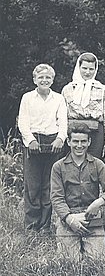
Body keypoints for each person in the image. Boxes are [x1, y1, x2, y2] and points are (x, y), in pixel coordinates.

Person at [50, 123, 105, 262]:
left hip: (91, 218)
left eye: (83, 141)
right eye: (75, 141)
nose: (79, 145)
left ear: (89, 142)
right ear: (68, 142)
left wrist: (98, 203)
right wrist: (69, 219)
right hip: (69, 218)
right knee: (69, 262)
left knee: (98, 261)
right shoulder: (58, 167)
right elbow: (57, 198)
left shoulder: (98, 164)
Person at [18, 64, 68, 232]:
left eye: (48, 77)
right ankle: (32, 226)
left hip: (53, 143)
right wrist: (30, 140)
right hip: (33, 142)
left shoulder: (59, 99)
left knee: (49, 185)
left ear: (52, 80)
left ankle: (45, 226)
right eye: (41, 77)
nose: (44, 80)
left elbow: (63, 122)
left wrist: (61, 138)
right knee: (33, 186)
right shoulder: (27, 98)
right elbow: (23, 122)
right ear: (35, 80)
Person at [62, 52, 105, 160]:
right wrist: (63, 137)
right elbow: (62, 116)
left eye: (91, 69)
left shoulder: (102, 89)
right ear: (78, 67)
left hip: (96, 132)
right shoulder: (68, 89)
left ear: (95, 69)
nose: (87, 72)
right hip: (74, 131)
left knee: (93, 163)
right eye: (84, 68)